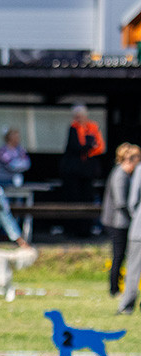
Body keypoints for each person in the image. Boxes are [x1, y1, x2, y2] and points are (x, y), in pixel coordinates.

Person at [59, 104, 105, 236]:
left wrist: (87, 147)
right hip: (73, 172)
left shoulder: (93, 127)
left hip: (87, 172)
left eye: (80, 116)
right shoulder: (73, 128)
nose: (78, 119)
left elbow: (99, 147)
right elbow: (75, 147)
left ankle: (86, 230)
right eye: (76, 117)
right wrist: (88, 146)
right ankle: (73, 230)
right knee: (73, 200)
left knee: (88, 199)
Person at [101, 143, 141, 297]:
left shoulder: (125, 175)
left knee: (121, 255)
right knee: (118, 255)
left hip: (122, 221)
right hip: (118, 222)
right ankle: (114, 288)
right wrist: (135, 217)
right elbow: (121, 202)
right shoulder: (120, 175)